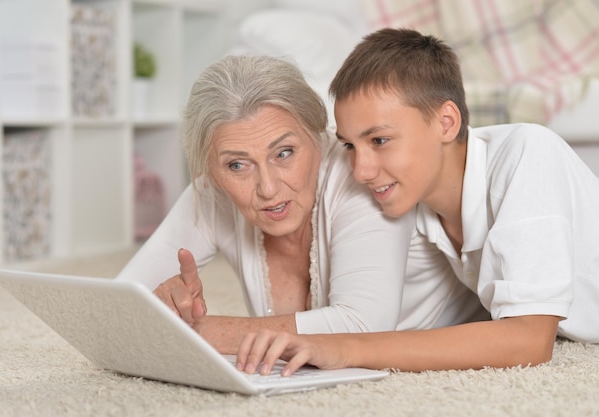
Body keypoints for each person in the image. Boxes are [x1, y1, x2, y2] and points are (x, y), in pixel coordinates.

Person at [235, 28, 599, 376]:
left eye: (378, 140)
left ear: (445, 122)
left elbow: (529, 340)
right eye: (349, 146)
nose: (360, 171)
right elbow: (401, 327)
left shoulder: (526, 153)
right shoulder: (414, 201)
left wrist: (347, 349)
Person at [115, 55, 485, 354]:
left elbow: (361, 325)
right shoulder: (212, 193)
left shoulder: (360, 174)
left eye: (285, 152)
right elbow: (117, 305)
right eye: (237, 165)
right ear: (210, 170)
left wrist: (197, 332)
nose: (268, 187)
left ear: (319, 137)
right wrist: (162, 303)